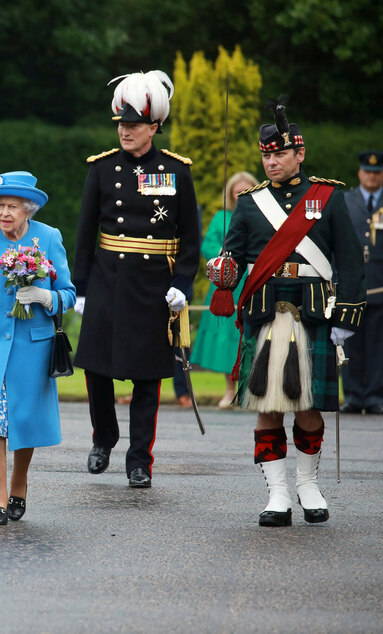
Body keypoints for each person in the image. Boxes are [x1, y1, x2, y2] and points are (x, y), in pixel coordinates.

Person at [219, 99, 365, 526]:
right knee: (267, 403)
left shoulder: (327, 197)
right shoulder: (249, 203)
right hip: (266, 312)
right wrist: (223, 269)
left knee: (307, 405)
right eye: (266, 154)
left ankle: (307, 483)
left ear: (300, 154)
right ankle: (277, 493)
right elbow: (233, 254)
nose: (272, 161)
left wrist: (346, 319)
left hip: (314, 311)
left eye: (280, 153)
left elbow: (350, 260)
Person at [72, 70, 200, 488]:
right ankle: (103, 438)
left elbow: (190, 239)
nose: (126, 131)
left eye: (134, 125)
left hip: (152, 286)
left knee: (147, 377)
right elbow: (85, 234)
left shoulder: (176, 171)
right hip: (108, 281)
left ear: (154, 127)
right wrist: (82, 287)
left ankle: (140, 458)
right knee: (96, 369)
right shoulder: (102, 169)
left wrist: (182, 284)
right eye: (122, 124)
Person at [0, 171, 76, 525]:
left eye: (12, 207)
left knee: (22, 419)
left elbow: (68, 292)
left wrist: (44, 296)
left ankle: (18, 483)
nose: (4, 213)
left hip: (31, 345)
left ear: (28, 210)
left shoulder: (48, 237)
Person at [192, 171, 258, 408]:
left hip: (253, 282)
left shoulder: (261, 215)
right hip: (227, 285)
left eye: (245, 191)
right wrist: (225, 253)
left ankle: (249, 390)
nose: (240, 196)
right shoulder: (221, 217)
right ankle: (230, 390)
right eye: (236, 192)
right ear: (230, 194)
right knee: (225, 339)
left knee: (252, 337)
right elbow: (208, 245)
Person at [341, 150, 383, 414]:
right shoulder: (346, 200)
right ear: (359, 173)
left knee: (378, 345)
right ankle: (354, 395)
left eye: (376, 172)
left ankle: (375, 396)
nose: (371, 176)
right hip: (353, 284)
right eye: (367, 172)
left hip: (380, 284)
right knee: (350, 343)